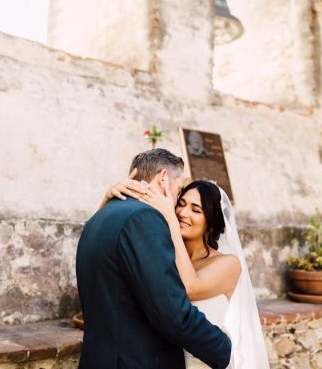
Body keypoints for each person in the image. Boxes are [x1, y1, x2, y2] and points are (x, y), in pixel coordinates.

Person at [76, 148, 232, 369]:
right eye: (179, 191)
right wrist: (223, 348)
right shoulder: (144, 218)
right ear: (163, 179)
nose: (177, 203)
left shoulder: (99, 217)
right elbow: (171, 313)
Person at [103, 172, 270, 368]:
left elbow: (190, 287)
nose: (183, 212)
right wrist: (108, 201)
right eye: (181, 204)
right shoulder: (164, 255)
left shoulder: (229, 263)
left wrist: (170, 220)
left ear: (211, 221)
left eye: (196, 209)